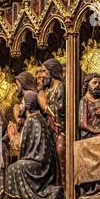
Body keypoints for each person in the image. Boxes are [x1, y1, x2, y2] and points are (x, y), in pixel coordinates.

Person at [5, 91, 62, 199]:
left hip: (40, 163)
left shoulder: (32, 119)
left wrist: (12, 137)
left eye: (22, 103)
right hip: (37, 160)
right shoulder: (34, 118)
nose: (20, 106)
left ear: (28, 104)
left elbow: (21, 147)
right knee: (14, 167)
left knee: (12, 169)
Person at [38, 58, 66, 188]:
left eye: (44, 71)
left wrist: (44, 106)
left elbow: (60, 108)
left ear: (52, 71)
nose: (42, 75)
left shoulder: (61, 86)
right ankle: (55, 185)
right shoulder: (47, 90)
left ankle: (66, 185)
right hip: (50, 129)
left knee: (60, 151)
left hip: (61, 129)